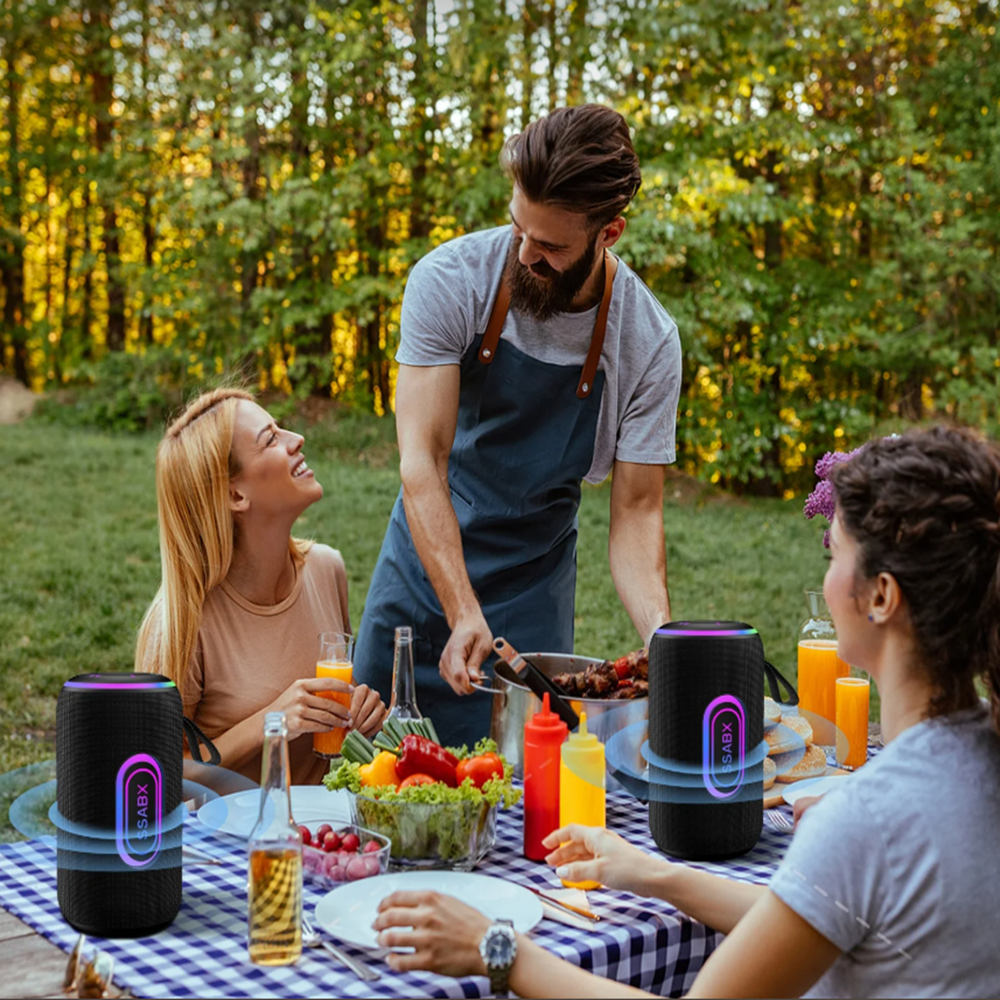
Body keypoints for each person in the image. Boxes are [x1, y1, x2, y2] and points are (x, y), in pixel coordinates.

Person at [371, 425, 1000, 998]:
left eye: (835, 554)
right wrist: (651, 874)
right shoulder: (976, 759)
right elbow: (827, 915)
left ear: (882, 597)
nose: (828, 576)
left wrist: (495, 948)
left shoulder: (867, 818)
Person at [354, 105, 682, 745]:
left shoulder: (647, 340)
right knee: (371, 774)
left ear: (608, 233)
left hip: (534, 593)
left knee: (522, 794)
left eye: (552, 246)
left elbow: (638, 516)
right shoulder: (449, 280)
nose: (525, 253)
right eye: (518, 229)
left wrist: (664, 640)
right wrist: (461, 609)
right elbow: (422, 461)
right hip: (421, 586)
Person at [135, 388, 387, 785]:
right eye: (270, 438)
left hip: (315, 837)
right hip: (222, 842)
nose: (295, 439)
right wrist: (271, 722)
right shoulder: (182, 619)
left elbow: (326, 740)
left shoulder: (326, 570)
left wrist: (358, 717)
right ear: (236, 494)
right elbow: (155, 776)